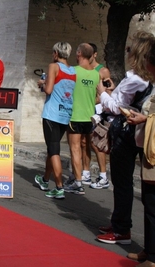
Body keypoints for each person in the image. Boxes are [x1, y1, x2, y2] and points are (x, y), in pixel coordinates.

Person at [96, 31, 155, 245]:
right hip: (139, 135)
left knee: (122, 182)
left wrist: (102, 92)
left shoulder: (135, 79)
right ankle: (120, 223)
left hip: (125, 133)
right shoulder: (146, 79)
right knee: (126, 183)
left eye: (130, 49)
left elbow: (117, 107)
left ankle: (121, 229)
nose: (127, 52)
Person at [125, 38, 155, 267]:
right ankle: (149, 249)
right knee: (148, 202)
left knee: (153, 205)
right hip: (148, 149)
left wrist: (145, 118)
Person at [34, 42, 76, 199]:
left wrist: (42, 83)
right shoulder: (72, 70)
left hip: (52, 114)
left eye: (53, 53)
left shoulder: (54, 66)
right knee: (52, 149)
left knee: (54, 150)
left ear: (56, 53)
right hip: (65, 114)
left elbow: (49, 89)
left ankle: (59, 187)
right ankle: (45, 180)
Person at [64, 43, 100, 195]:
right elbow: (98, 97)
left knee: (75, 149)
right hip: (89, 117)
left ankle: (78, 183)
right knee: (85, 148)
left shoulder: (73, 71)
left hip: (75, 116)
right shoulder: (96, 74)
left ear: (79, 54)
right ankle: (76, 176)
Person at [85, 43, 112, 189]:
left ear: (95, 54)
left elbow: (108, 94)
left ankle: (103, 177)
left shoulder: (103, 71)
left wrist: (93, 101)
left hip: (97, 112)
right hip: (84, 110)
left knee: (98, 144)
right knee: (85, 142)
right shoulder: (83, 70)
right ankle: (86, 173)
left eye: (89, 53)